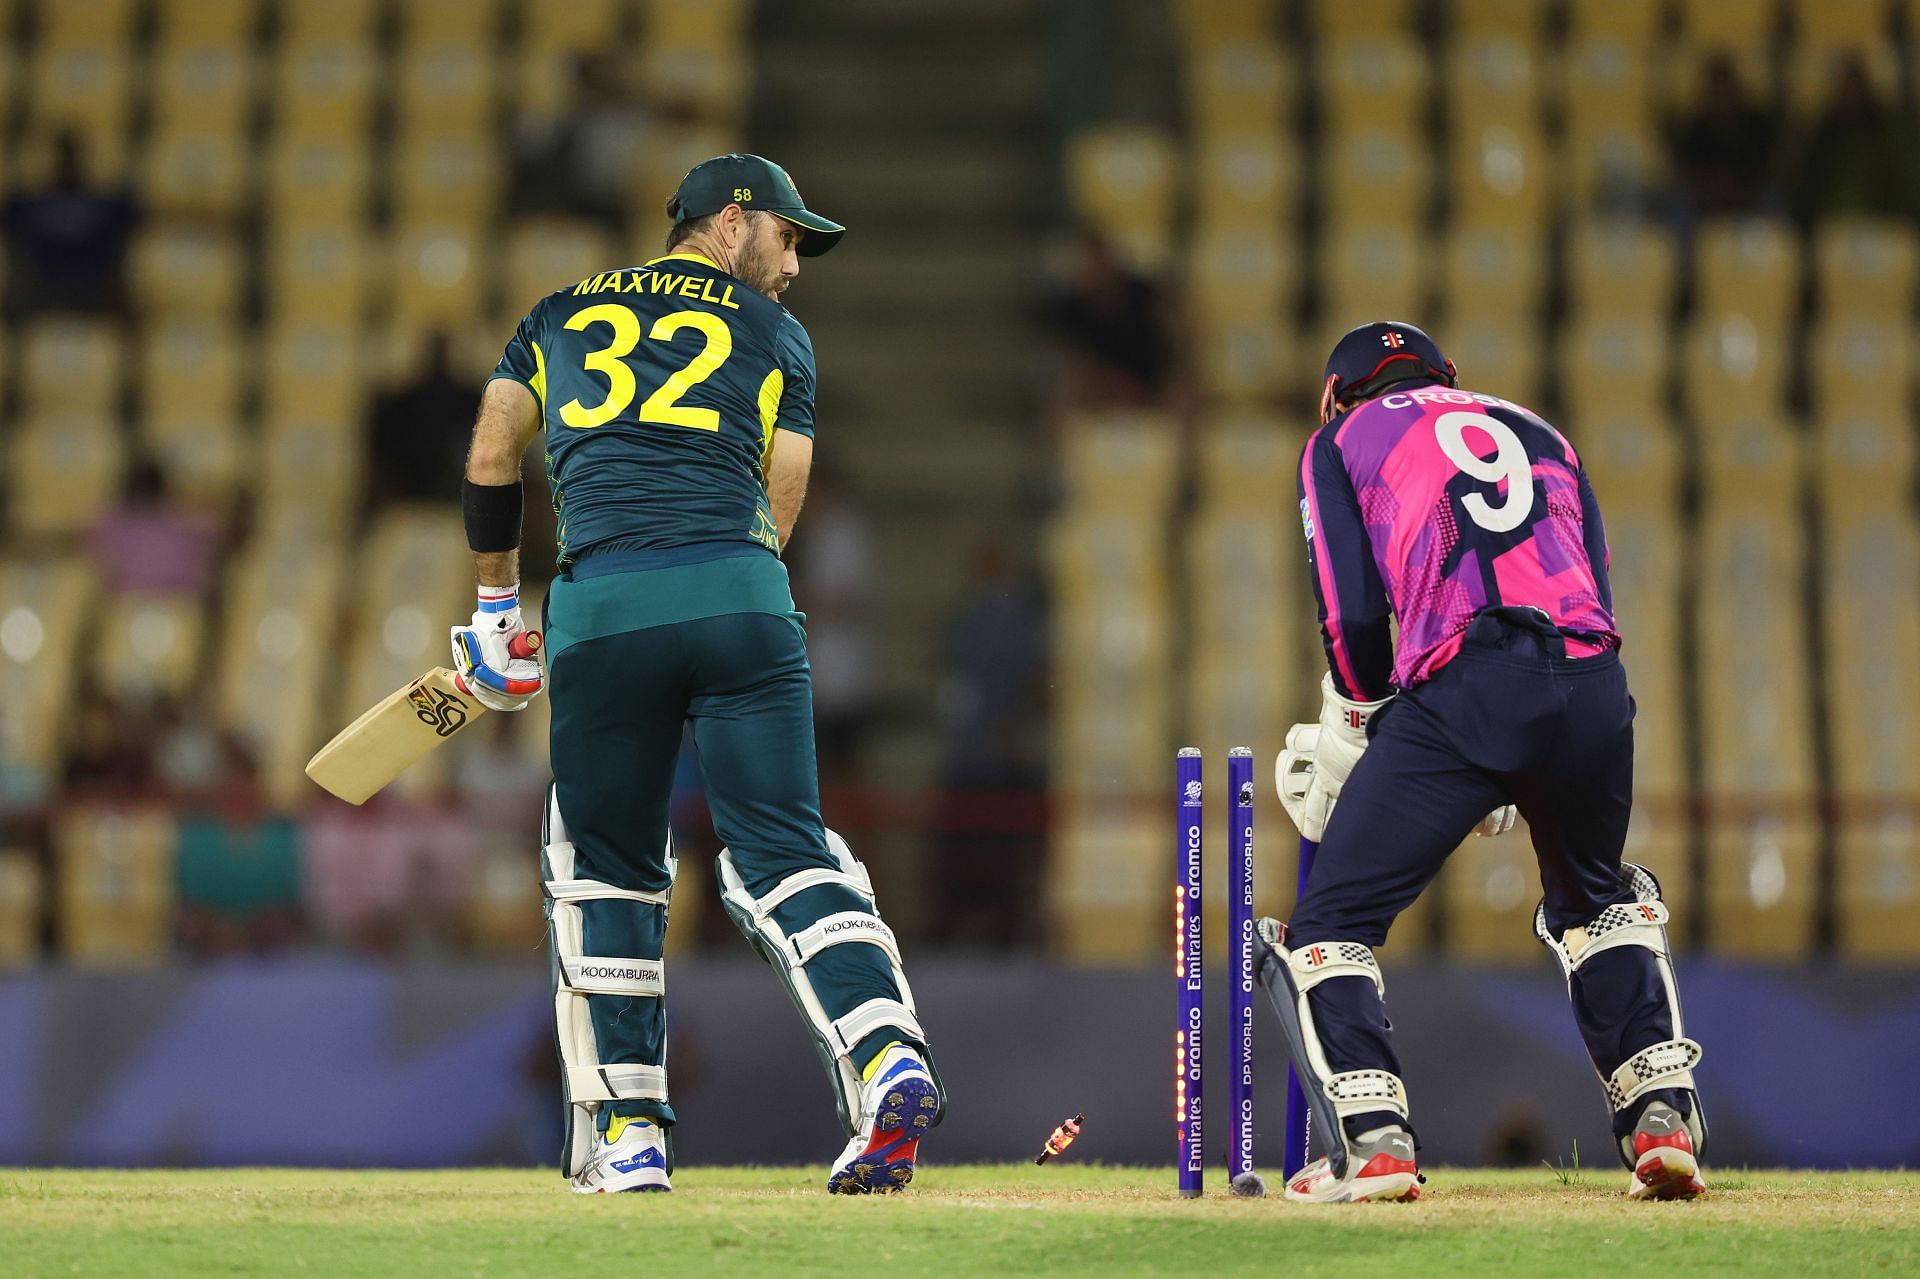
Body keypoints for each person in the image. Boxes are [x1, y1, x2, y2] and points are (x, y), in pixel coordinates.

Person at [454, 154, 944, 1195]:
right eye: (790, 237)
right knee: (786, 854)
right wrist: (739, 586)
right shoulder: (777, 336)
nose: (795, 265)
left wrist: (498, 609)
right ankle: (885, 1051)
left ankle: (629, 1134)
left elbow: (493, 454)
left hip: (604, 610)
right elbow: (784, 492)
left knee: (608, 870)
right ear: (732, 223)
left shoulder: (554, 315)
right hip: (743, 601)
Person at [1260, 322, 1707, 1204]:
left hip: (1467, 685)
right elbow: (1597, 596)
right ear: (1448, 377)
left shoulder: (1339, 440)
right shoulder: (1541, 429)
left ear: (1336, 394)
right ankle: (1662, 1119)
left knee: (1328, 925)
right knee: (1593, 898)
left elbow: (1352, 619)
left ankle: (1374, 1142)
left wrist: (1365, 722)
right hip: (1591, 690)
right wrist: (1520, 757)